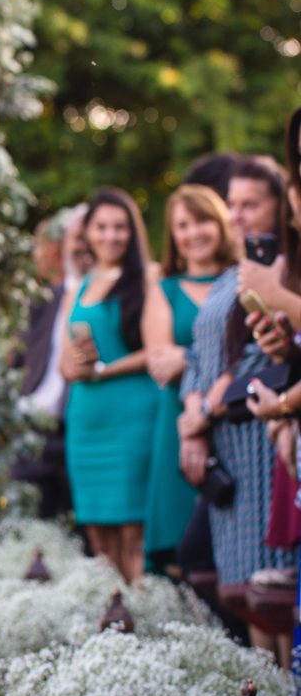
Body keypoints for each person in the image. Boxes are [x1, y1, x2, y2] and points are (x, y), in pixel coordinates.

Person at [178, 158, 295, 600]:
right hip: (224, 446)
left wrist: (206, 412)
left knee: (268, 586)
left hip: (261, 435)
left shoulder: (284, 270)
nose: (237, 215)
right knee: (235, 584)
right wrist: (192, 411)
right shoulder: (232, 274)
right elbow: (198, 353)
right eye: (232, 204)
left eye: (251, 204)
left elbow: (260, 357)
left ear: (280, 207)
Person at [60, 187, 158, 583]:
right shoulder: (79, 286)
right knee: (98, 531)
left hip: (133, 417)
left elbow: (156, 349)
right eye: (102, 226)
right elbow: (66, 364)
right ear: (88, 233)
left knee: (134, 530)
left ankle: (143, 616)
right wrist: (76, 367)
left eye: (120, 227)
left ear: (133, 232)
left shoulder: (149, 278)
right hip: (86, 423)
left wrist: (102, 370)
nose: (111, 235)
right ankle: (115, 624)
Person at [142, 186, 238, 567]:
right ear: (173, 236)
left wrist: (191, 357)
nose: (194, 232)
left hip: (234, 416)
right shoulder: (163, 289)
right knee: (182, 545)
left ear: (220, 224)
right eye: (183, 225)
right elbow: (161, 364)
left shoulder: (242, 279)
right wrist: (213, 357)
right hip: (180, 420)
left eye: (202, 221)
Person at [10, 206, 88, 518]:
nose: (35, 256)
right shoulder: (40, 299)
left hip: (76, 425)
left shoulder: (97, 296)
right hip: (33, 423)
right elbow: (16, 359)